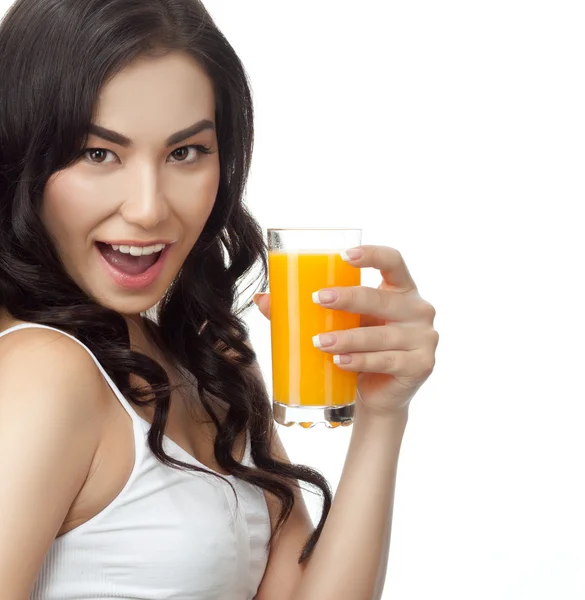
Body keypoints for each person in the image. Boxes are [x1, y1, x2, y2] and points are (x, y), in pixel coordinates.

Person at [0, 1, 439, 599]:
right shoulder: (42, 370)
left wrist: (385, 414)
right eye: (98, 153)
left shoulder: (209, 359)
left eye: (185, 152)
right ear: (20, 155)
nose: (150, 207)